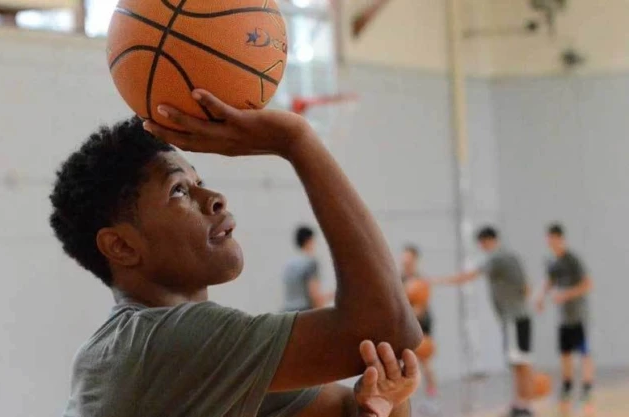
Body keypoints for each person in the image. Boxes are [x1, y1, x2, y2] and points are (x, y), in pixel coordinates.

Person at [50, 90, 423, 417]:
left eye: (200, 182)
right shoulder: (162, 345)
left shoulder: (183, 354)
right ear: (122, 246)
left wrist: (384, 403)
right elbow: (388, 329)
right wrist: (295, 140)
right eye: (178, 190)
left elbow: (346, 410)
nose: (214, 198)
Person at [431, 227, 534, 417]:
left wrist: (437, 281)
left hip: (513, 318)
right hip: (519, 316)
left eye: (482, 243)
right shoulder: (511, 257)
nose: (482, 247)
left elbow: (469, 276)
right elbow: (527, 288)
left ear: (488, 240)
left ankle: (525, 405)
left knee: (521, 362)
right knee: (519, 361)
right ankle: (521, 403)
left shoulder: (498, 258)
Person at [536, 223, 594, 412]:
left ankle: (587, 387)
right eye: (548, 239)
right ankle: (567, 386)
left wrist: (566, 294)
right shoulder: (553, 262)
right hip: (563, 317)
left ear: (560, 238)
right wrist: (540, 297)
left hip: (578, 315)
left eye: (553, 238)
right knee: (565, 353)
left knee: (584, 353)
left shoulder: (573, 260)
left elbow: (587, 284)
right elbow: (549, 281)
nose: (550, 242)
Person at [400, 245, 437, 398]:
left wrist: (409, 315)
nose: (405, 260)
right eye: (404, 257)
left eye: (408, 257)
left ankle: (432, 393)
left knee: (424, 359)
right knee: (403, 360)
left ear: (414, 259)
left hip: (420, 324)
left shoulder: (421, 280)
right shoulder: (399, 279)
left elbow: (420, 308)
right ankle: (405, 396)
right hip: (404, 324)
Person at [283, 225, 334, 312]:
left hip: (287, 313)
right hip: (304, 312)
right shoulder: (310, 263)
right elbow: (315, 297)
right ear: (309, 240)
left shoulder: (288, 264)